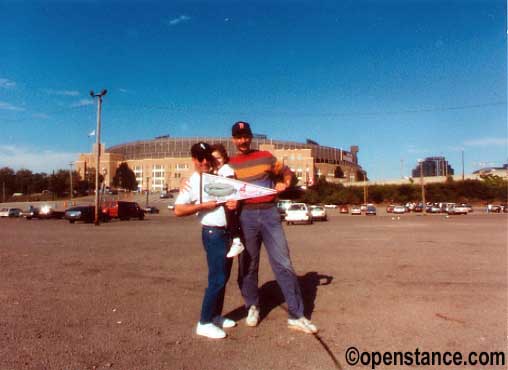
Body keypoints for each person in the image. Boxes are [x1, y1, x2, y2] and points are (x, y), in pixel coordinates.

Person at [228, 121, 318, 334]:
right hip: (245, 216)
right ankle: (252, 306)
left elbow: (287, 173)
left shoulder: (265, 157)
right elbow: (212, 181)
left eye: (245, 136)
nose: (242, 141)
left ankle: (296, 315)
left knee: (283, 263)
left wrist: (284, 183)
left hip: (269, 213)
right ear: (233, 139)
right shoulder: (229, 164)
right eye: (238, 137)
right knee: (248, 265)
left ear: (251, 137)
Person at [174, 142, 238, 339]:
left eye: (207, 158)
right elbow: (178, 209)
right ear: (194, 160)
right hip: (213, 233)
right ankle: (204, 322)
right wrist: (203, 206)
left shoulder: (218, 174)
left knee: (224, 277)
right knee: (216, 278)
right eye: (200, 159)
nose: (204, 162)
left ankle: (216, 316)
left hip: (226, 232)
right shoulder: (193, 181)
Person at [210, 143, 245, 258]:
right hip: (221, 199)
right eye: (213, 159)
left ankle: (237, 241)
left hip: (229, 198)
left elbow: (230, 184)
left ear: (224, 158)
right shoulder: (215, 171)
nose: (217, 161)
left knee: (230, 216)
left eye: (219, 158)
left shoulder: (226, 169)